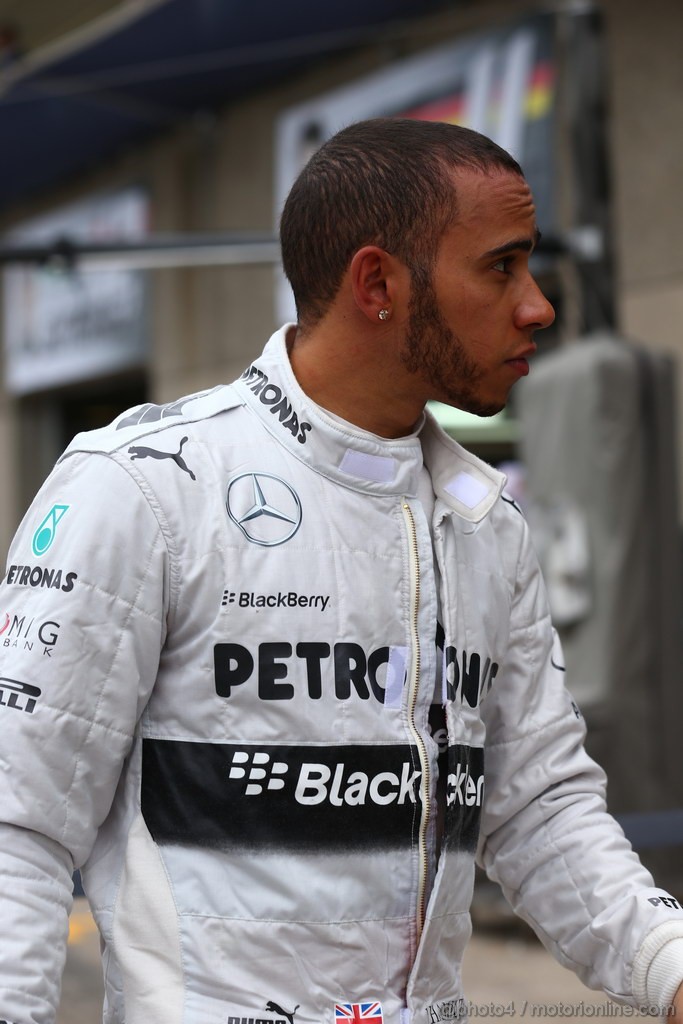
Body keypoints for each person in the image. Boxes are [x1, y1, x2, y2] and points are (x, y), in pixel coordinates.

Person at [1, 117, 682, 1024]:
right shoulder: (144, 488)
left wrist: (669, 966)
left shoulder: (487, 523)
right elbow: (18, 827)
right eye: (500, 265)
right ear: (377, 284)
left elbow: (539, 810)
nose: (537, 305)